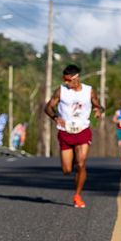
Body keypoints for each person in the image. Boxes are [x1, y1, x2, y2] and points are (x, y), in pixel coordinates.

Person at [44, 64, 103, 208]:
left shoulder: (89, 91)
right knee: (67, 170)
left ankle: (77, 195)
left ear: (76, 78)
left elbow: (98, 105)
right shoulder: (61, 91)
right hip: (65, 133)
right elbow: (48, 107)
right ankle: (75, 161)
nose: (66, 82)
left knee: (82, 163)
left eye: (68, 80)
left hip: (82, 131)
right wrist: (56, 117)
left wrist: (98, 110)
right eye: (64, 80)